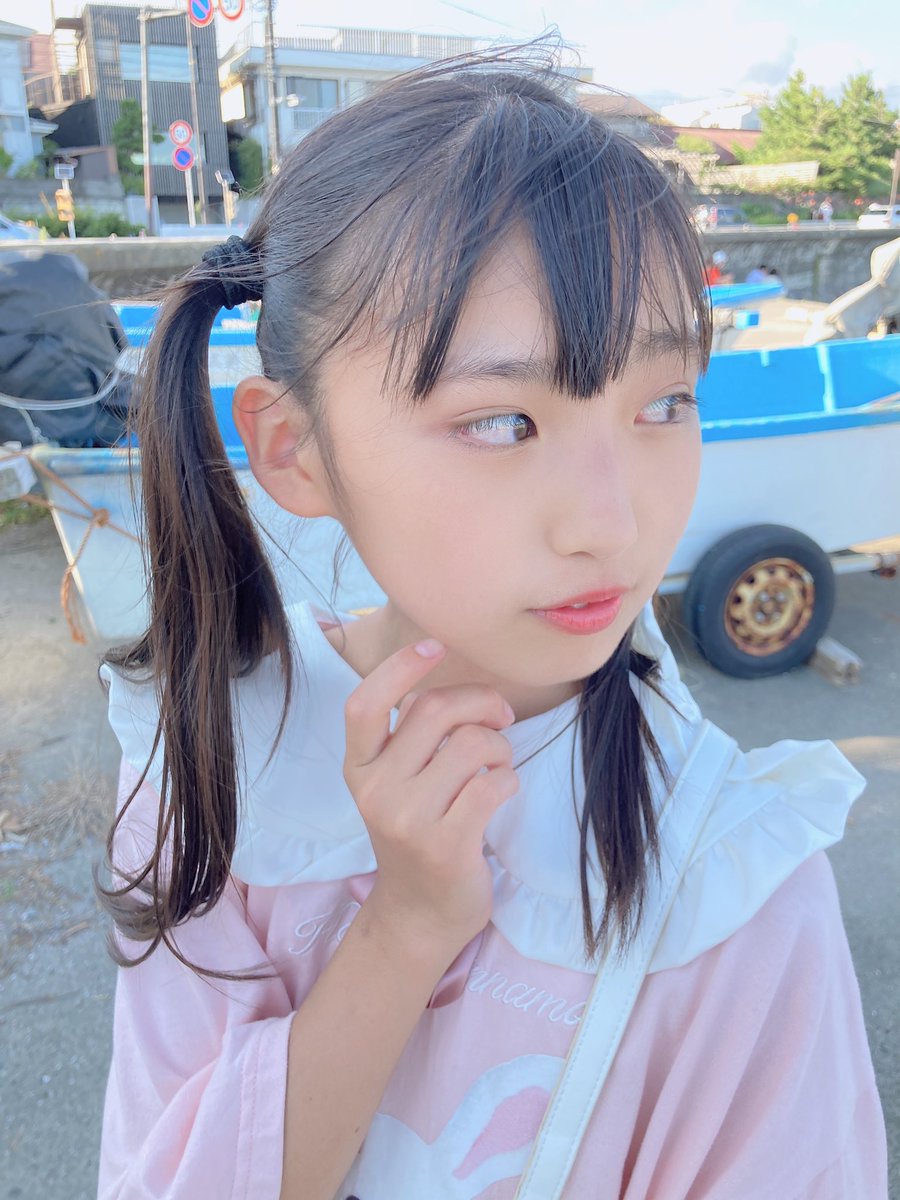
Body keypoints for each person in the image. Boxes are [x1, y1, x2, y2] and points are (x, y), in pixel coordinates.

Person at [95, 46, 888, 1200]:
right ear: (293, 448)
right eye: (504, 423)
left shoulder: (735, 887)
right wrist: (406, 928)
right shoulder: (210, 770)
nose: (611, 524)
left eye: (665, 403)